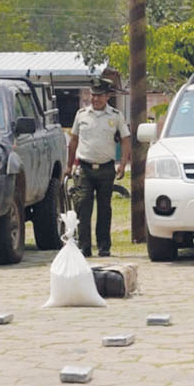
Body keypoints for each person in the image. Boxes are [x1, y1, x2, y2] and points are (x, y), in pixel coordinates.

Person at [68, 80, 130, 257]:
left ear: (107, 96)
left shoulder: (116, 115)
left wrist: (123, 163)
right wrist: (69, 165)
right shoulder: (81, 115)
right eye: (93, 95)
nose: (96, 99)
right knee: (83, 207)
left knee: (105, 209)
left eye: (100, 95)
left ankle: (104, 246)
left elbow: (126, 139)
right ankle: (84, 246)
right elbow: (73, 141)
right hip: (85, 169)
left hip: (106, 169)